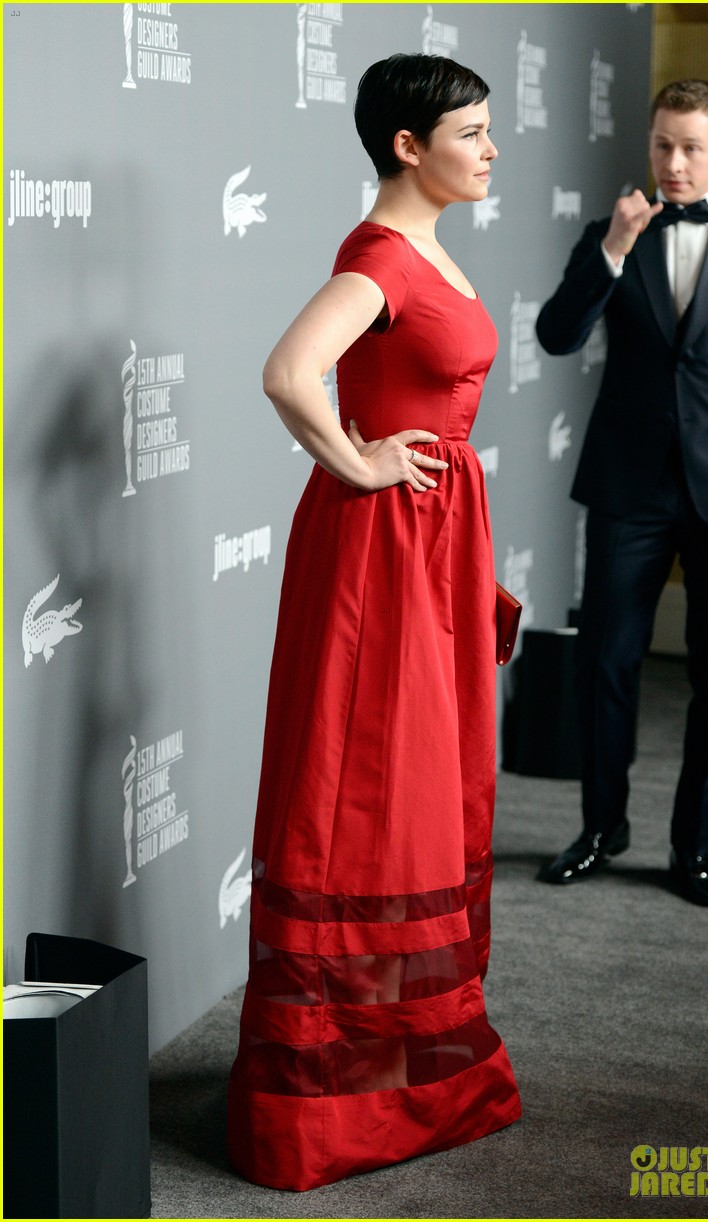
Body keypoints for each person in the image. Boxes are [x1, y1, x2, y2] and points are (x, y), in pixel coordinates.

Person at [227, 53, 521, 1191]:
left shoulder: (428, 249)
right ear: (408, 146)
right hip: (380, 551)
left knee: (420, 795)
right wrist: (355, 463)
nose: (491, 149)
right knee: (366, 798)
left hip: (430, 544)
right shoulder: (380, 256)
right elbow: (289, 371)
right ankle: (327, 1103)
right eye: (472, 132)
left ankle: (402, 1071)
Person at [536, 79, 708, 906]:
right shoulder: (612, 232)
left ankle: (692, 850)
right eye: (662, 144)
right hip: (628, 486)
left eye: (691, 147)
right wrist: (614, 253)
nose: (672, 163)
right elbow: (556, 336)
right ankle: (603, 828)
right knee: (606, 662)